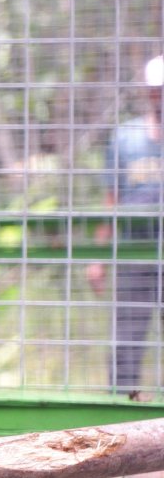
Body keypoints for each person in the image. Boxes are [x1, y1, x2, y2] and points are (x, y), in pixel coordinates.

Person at [87, 55, 164, 393]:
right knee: (127, 340)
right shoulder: (125, 137)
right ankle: (123, 408)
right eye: (155, 90)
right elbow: (111, 200)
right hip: (135, 255)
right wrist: (99, 257)